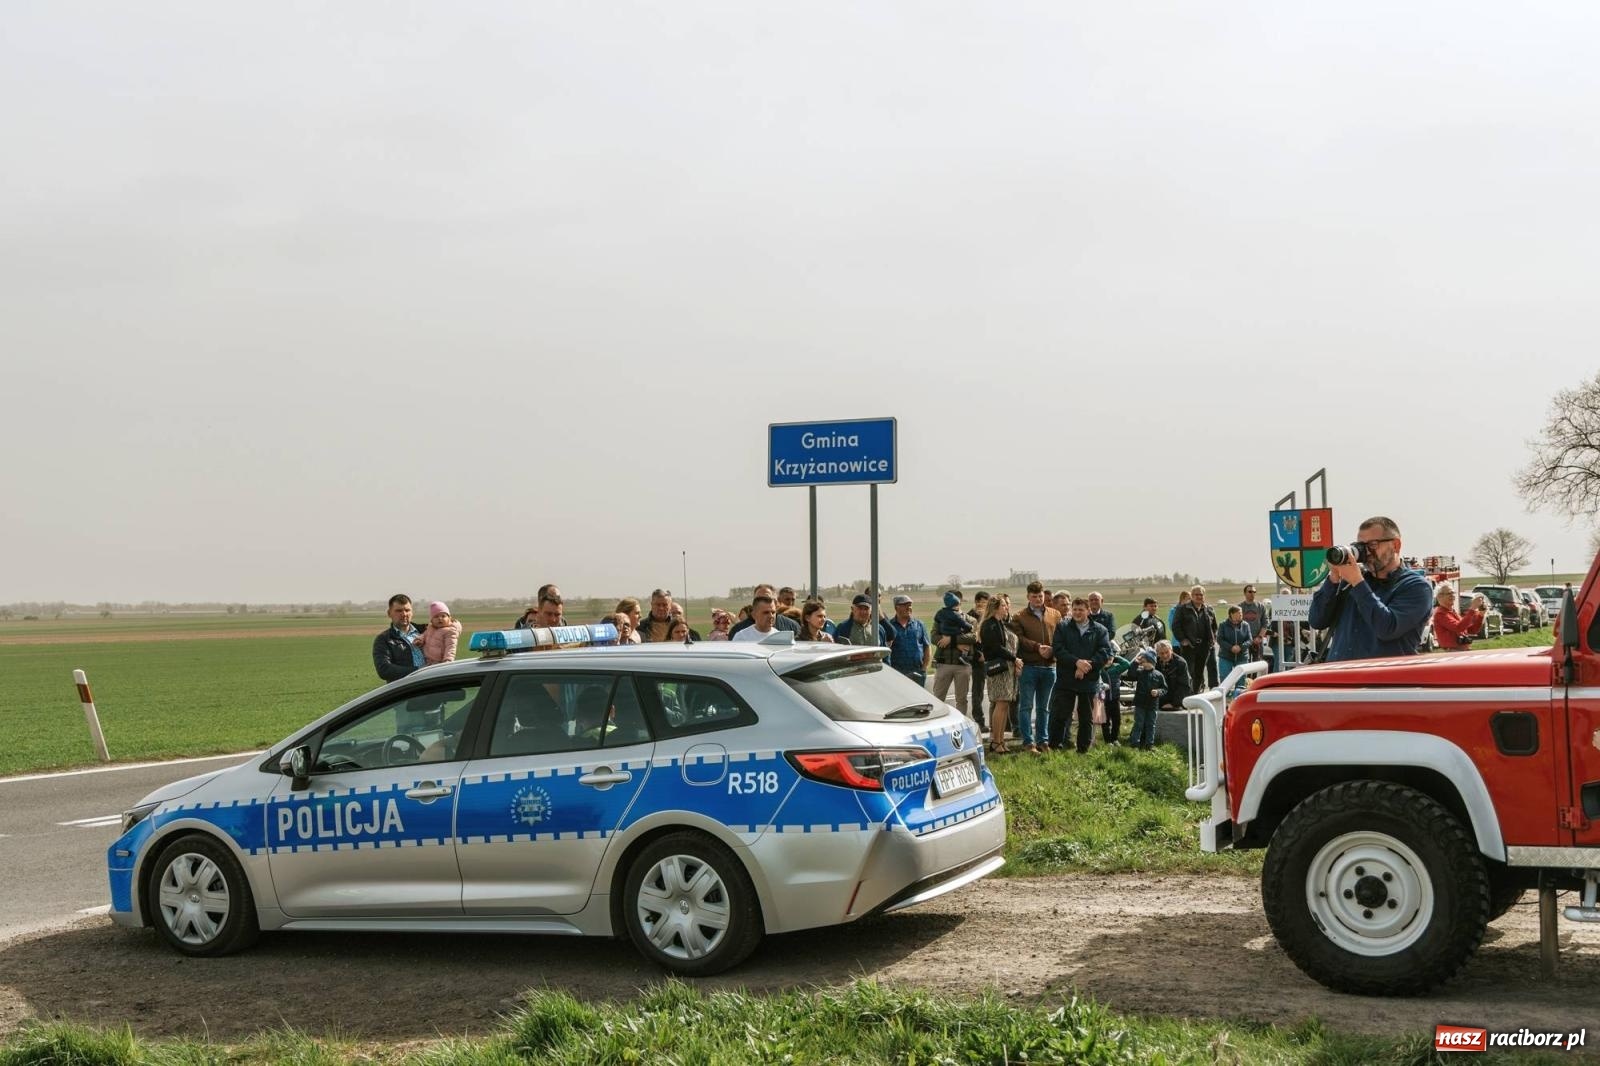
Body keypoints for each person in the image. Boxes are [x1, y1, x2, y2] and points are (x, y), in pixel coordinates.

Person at [1307, 516, 1434, 662]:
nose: (1366, 552)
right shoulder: (1352, 582)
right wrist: (1333, 578)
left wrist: (1358, 582)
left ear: (1396, 545)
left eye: (1373, 545)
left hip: (1383, 680)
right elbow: (1317, 620)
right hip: (1341, 677)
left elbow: (1387, 628)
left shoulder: (1416, 586)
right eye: (1361, 546)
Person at [1050, 597, 1115, 754]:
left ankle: (1083, 750)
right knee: (1060, 714)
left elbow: (1105, 652)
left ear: (1088, 611)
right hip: (1066, 678)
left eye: (1081, 610)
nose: (1077, 613)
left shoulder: (1100, 630)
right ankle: (1054, 747)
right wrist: (1076, 662)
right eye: (1075, 609)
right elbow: (1058, 649)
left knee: (1086, 717)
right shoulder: (1063, 627)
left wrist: (1087, 666)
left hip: (1089, 680)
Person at [1008, 581, 1060, 754]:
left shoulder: (1055, 614)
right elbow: (1019, 639)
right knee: (1026, 706)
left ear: (1044, 595)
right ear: (1028, 597)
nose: (1038, 599)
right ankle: (1028, 742)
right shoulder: (1019, 616)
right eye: (1034, 596)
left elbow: (1060, 637)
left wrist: (1052, 650)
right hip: (1029, 666)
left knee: (1044, 707)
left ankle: (1043, 741)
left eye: (1040, 596)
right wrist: (1038, 647)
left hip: (1050, 666)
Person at [979, 594, 1020, 754]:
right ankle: (996, 741)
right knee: (1000, 703)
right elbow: (995, 647)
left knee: (1004, 704)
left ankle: (1001, 740)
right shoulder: (989, 625)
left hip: (1006, 669)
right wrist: (1014, 658)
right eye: (1003, 606)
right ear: (995, 608)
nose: (1006, 608)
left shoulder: (999, 623)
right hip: (998, 669)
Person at [931, 590, 973, 714]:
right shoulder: (941, 617)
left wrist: (951, 640)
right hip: (943, 663)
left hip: (963, 665)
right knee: (938, 698)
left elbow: (973, 637)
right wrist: (957, 642)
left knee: (962, 700)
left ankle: (960, 724)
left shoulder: (969, 619)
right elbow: (934, 637)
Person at [1176, 585, 1220, 689]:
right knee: (1190, 672)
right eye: (1196, 594)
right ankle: (1187, 695)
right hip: (1189, 646)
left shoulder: (1209, 609)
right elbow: (1176, 626)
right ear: (1191, 595)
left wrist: (1212, 639)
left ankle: (1195, 694)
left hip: (1204, 647)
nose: (1199, 597)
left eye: (1201, 594)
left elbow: (1214, 627)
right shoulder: (1183, 609)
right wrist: (1183, 640)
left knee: (1199, 673)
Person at [373, 594, 424, 682]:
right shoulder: (384, 639)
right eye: (399, 611)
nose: (404, 614)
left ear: (412, 612)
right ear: (389, 613)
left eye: (407, 610)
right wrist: (420, 671)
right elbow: (384, 670)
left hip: (432, 688)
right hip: (406, 690)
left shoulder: (426, 631)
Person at [884, 595, 932, 686]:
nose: (908, 607)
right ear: (896, 607)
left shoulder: (919, 625)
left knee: (918, 699)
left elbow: (927, 647)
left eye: (910, 605)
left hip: (917, 672)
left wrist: (924, 669)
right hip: (897, 674)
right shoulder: (889, 627)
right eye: (905, 605)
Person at [1127, 648, 1169, 750]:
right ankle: (1134, 744)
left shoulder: (1158, 675)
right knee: (1139, 724)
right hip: (1140, 703)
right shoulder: (1140, 672)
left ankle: (1149, 744)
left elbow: (1165, 689)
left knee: (1151, 725)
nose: (1141, 661)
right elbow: (1130, 674)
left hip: (1152, 705)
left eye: (1143, 660)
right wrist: (1135, 663)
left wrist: (1158, 692)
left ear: (1150, 661)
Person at [1431, 587, 1487, 652]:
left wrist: (1481, 615)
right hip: (1453, 651)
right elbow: (1458, 627)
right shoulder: (1440, 614)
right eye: (1449, 593)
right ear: (1439, 597)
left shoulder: (1452, 612)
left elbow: (1472, 630)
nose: (1452, 595)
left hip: (1462, 650)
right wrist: (1472, 608)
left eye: (1453, 593)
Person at [966, 591, 990, 730]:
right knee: (978, 691)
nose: (982, 605)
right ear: (976, 602)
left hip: (991, 657)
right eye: (980, 602)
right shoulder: (969, 617)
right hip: (977, 659)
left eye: (985, 602)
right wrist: (977, 655)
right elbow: (968, 639)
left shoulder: (989, 616)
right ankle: (979, 721)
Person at [1217, 605, 1252, 693]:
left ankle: (1239, 698)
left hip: (1242, 656)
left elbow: (1249, 640)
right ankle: (1224, 697)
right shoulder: (1223, 625)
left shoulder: (1245, 625)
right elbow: (1220, 639)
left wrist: (1241, 647)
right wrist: (1230, 647)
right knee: (1224, 677)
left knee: (1241, 679)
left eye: (1241, 613)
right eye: (1238, 613)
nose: (1241, 615)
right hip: (1226, 656)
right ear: (1231, 614)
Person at [1154, 640, 1192, 715]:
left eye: (1167, 652)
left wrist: (1174, 704)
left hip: (1177, 700)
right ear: (1157, 653)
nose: (1165, 655)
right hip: (1160, 700)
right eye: (1161, 653)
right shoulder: (1155, 663)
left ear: (1171, 650)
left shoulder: (1181, 663)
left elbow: (1184, 686)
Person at [419, 601, 461, 666]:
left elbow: (451, 647)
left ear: (449, 618)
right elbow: (424, 635)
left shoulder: (450, 631)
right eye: (436, 617)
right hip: (427, 661)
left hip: (440, 663)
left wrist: (448, 660)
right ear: (431, 620)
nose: (440, 618)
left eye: (443, 616)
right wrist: (419, 640)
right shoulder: (430, 628)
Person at [1236, 585, 1270, 662]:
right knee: (1244, 663)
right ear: (1245, 593)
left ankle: (1255, 675)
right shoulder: (1239, 607)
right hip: (1244, 641)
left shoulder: (1261, 606)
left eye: (1254, 592)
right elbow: (1235, 624)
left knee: (1257, 664)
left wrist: (1260, 637)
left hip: (1257, 640)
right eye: (1250, 591)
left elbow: (1265, 623)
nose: (1252, 593)